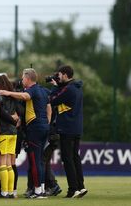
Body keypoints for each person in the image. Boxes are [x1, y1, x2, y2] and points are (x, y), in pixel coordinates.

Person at [0, 68, 51, 199]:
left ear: (27, 78)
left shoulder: (31, 90)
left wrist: (7, 92)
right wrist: (47, 122)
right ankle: (41, 188)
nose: (21, 80)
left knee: (35, 160)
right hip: (44, 127)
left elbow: (24, 96)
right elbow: (48, 107)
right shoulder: (44, 90)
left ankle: (38, 191)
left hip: (35, 128)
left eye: (22, 78)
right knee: (40, 161)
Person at [49, 65, 87, 198]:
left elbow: (52, 100)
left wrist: (54, 86)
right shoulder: (77, 87)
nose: (57, 77)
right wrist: (58, 85)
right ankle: (81, 187)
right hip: (76, 127)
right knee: (75, 157)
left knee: (67, 158)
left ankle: (73, 189)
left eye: (59, 75)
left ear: (65, 75)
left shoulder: (69, 89)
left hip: (67, 128)